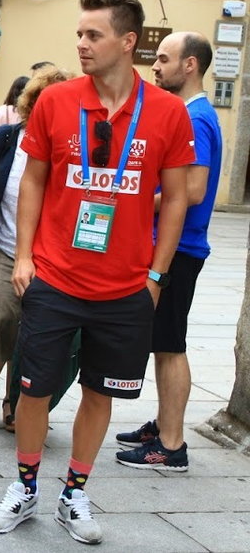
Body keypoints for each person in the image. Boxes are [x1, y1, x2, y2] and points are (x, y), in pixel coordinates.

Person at [0, 0, 194, 545]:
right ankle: (25, 486)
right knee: (34, 390)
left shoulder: (167, 112)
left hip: (126, 287)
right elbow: (31, 179)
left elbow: (176, 198)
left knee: (101, 392)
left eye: (92, 35)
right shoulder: (55, 102)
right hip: (55, 276)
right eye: (78, 33)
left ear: (127, 42)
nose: (80, 44)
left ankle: (74, 492)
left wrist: (156, 275)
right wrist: (25, 256)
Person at [114, 32, 222, 471]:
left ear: (190, 65)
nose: (155, 66)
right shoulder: (191, 113)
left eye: (163, 59)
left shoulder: (194, 118)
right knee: (164, 342)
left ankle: (171, 444)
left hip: (179, 246)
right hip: (174, 244)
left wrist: (134, 196)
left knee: (171, 344)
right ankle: (163, 424)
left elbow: (192, 190)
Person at [0, 66, 71, 431]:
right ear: (31, 105)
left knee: (32, 332)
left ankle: (15, 399)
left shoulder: (74, 148)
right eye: (44, 103)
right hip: (1, 248)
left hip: (52, 257)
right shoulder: (2, 141)